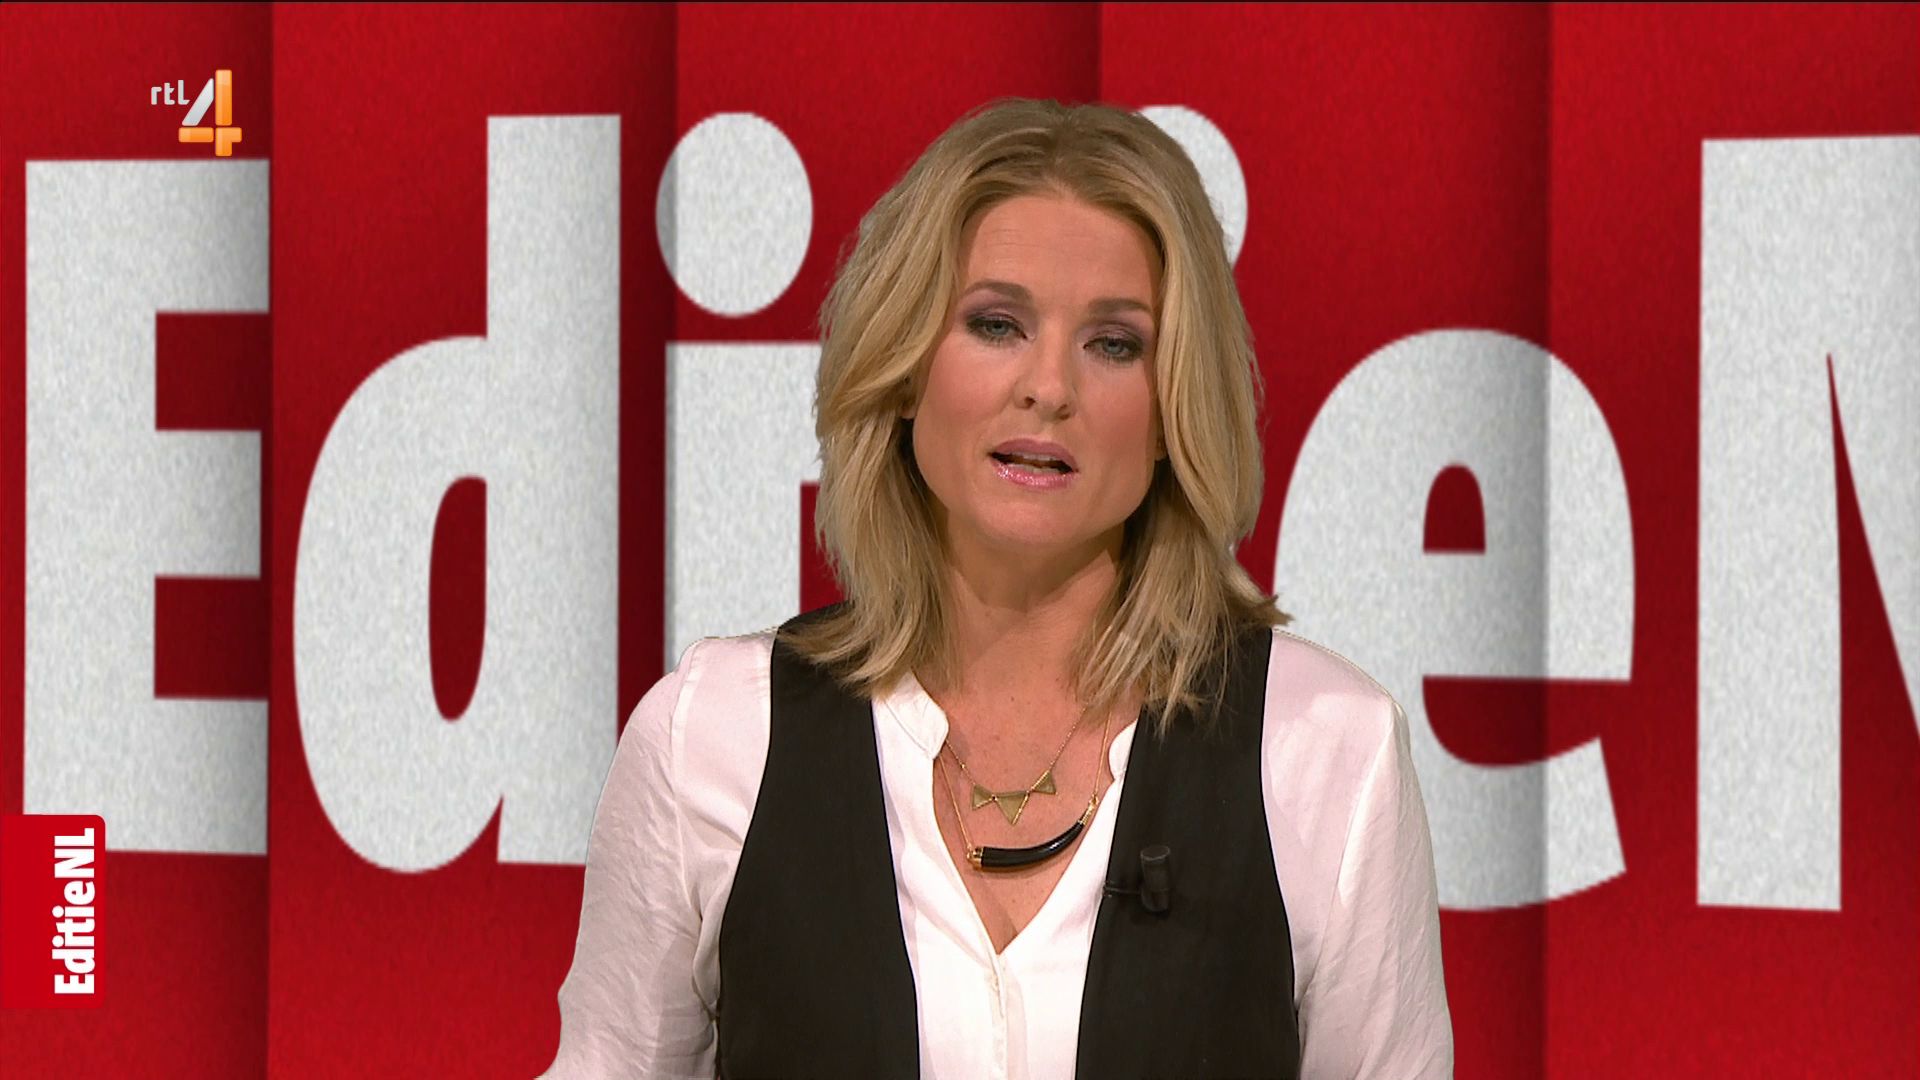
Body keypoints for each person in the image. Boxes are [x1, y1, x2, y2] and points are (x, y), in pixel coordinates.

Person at [546, 97, 1451, 1079]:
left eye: (1114, 343)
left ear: (1172, 409)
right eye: (996, 325)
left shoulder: (1325, 749)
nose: (1049, 387)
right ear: (903, 371)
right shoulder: (713, 736)